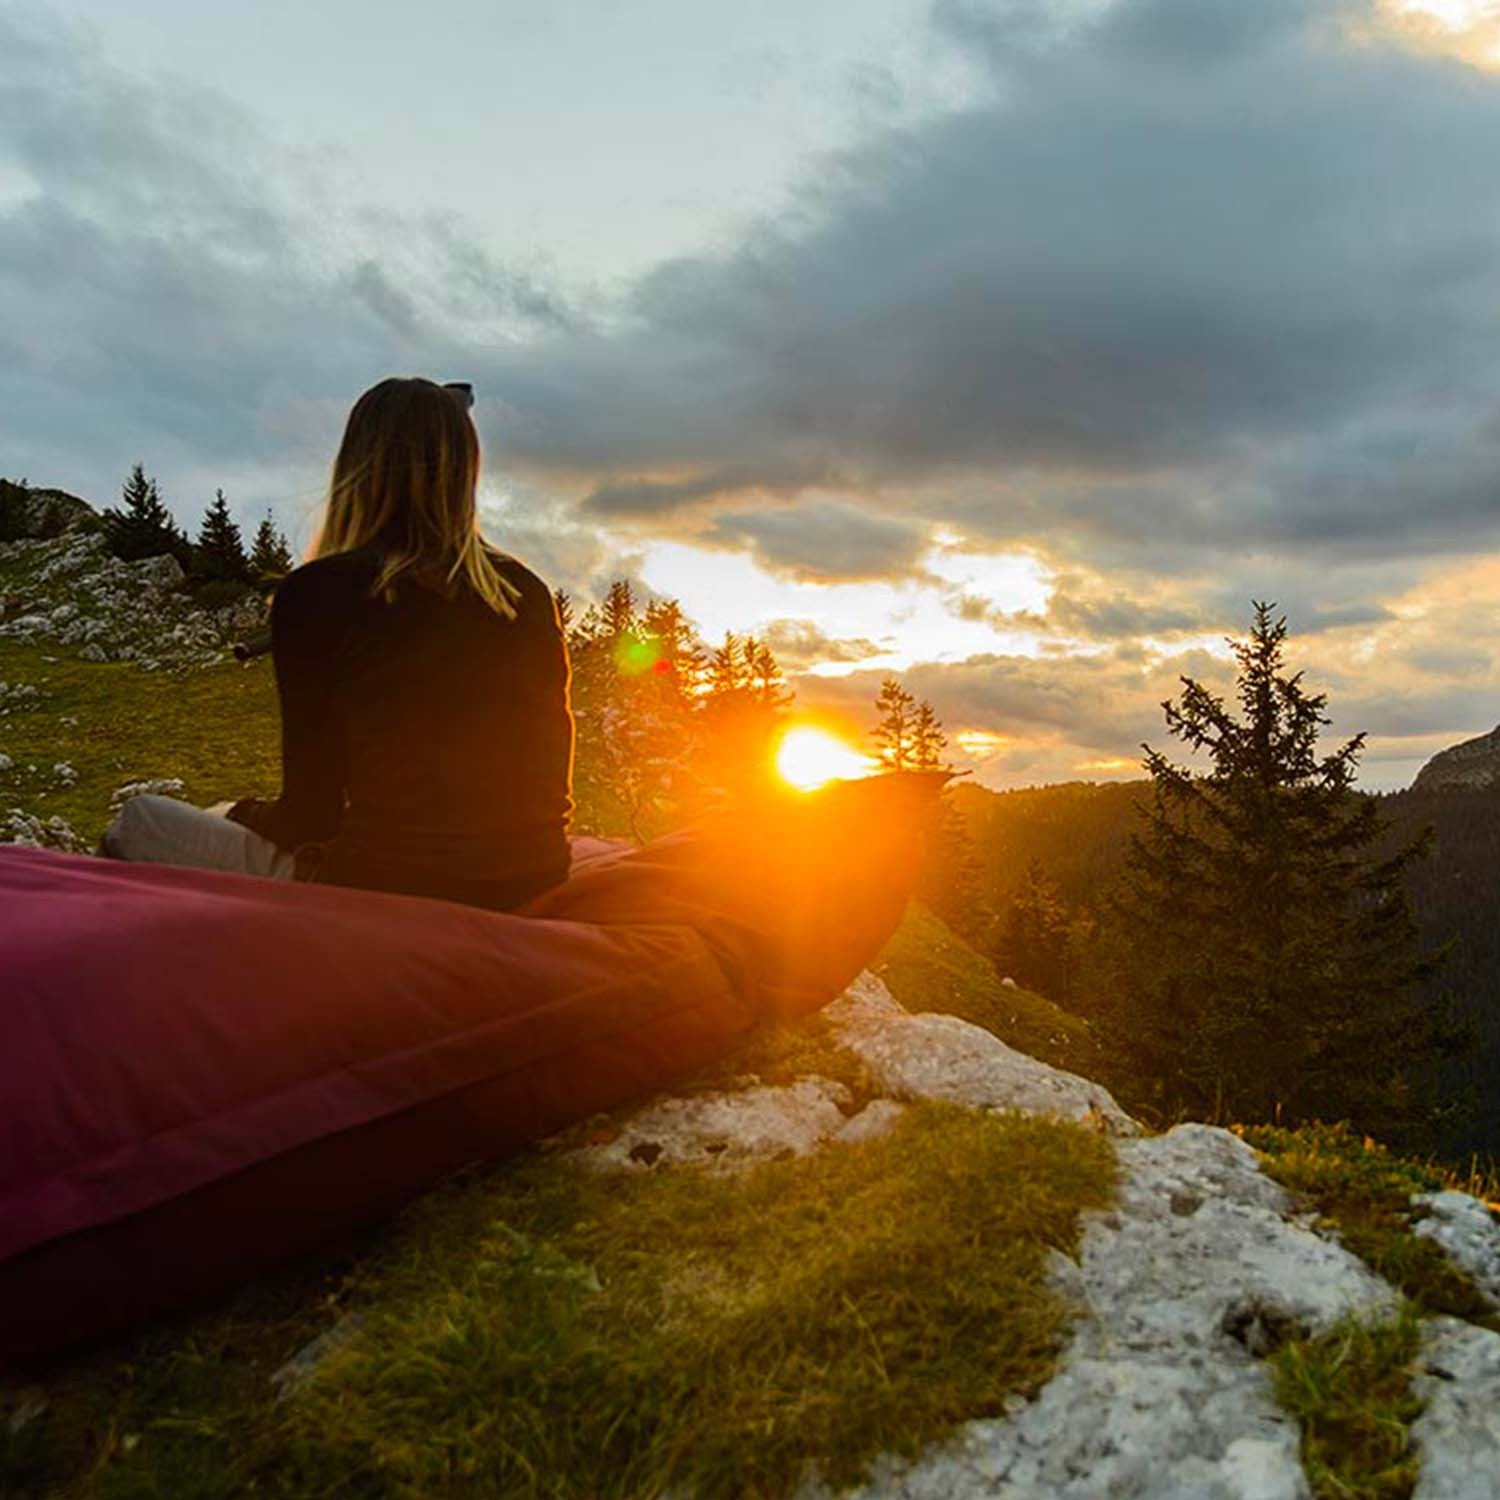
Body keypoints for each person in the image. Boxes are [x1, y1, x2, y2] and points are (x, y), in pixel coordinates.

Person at [102, 376, 575, 911]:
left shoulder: (319, 592)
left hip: (385, 887)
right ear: (466, 469)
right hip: (532, 876)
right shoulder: (526, 592)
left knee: (140, 820)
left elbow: (311, 815)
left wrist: (238, 812)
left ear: (357, 465)